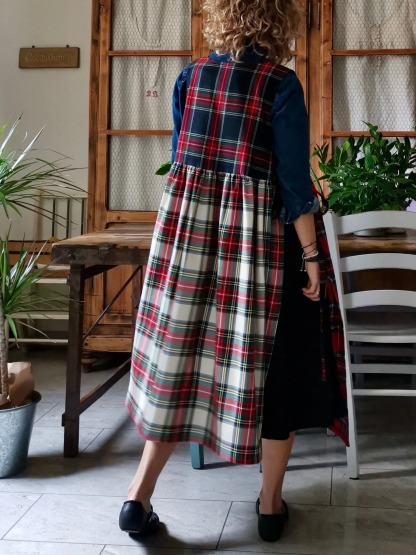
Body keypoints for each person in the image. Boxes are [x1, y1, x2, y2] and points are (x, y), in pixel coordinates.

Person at [119, 0, 348, 543]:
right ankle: (269, 507)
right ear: (280, 20)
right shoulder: (280, 84)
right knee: (278, 376)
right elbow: (293, 186)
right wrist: (311, 259)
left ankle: (137, 497)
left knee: (177, 362)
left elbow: (183, 165)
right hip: (258, 253)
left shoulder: (190, 77)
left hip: (188, 248)